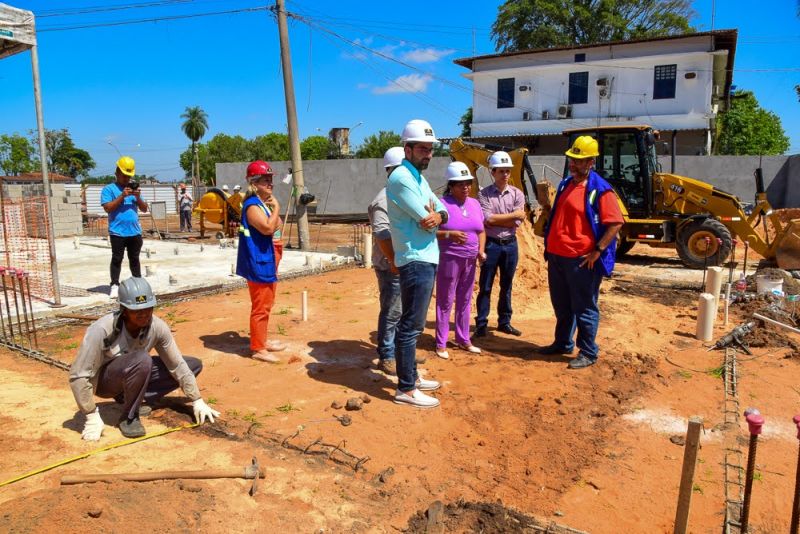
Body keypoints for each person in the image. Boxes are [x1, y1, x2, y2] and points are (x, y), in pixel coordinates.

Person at [69, 277, 220, 440]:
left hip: (134, 371)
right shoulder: (101, 330)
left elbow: (177, 365)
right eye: (136, 310)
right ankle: (129, 417)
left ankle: (132, 399)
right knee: (141, 359)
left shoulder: (157, 327)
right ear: (124, 310)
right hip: (105, 382)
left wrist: (197, 399)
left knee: (192, 365)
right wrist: (91, 415)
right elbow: (79, 375)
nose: (144, 314)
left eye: (148, 308)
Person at [541, 136, 624, 369]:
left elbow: (615, 222)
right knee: (562, 305)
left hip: (580, 260)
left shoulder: (601, 190)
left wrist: (598, 250)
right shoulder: (566, 184)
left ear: (591, 162)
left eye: (578, 160)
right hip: (557, 256)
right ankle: (562, 343)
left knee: (584, 306)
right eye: (572, 159)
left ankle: (588, 351)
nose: (573, 164)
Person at [386, 119, 448, 409]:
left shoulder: (419, 178)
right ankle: (406, 389)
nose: (428, 153)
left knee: (415, 323)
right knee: (410, 325)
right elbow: (425, 220)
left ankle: (411, 376)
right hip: (415, 259)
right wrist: (435, 218)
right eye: (423, 148)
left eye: (431, 148)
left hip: (425, 258)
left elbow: (441, 212)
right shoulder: (400, 178)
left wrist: (440, 217)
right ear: (407, 148)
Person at [236, 160, 287, 362]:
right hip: (258, 262)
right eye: (266, 180)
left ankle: (262, 341)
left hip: (267, 260)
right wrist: (277, 208)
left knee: (267, 303)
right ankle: (258, 348)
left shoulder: (262, 205)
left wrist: (273, 211)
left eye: (271, 180)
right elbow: (267, 228)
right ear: (254, 182)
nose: (270, 184)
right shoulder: (251, 206)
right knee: (261, 306)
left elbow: (278, 225)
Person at [434, 162, 486, 359]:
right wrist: (450, 235)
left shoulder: (474, 203)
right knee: (446, 300)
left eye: (468, 183)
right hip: (450, 259)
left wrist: (481, 250)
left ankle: (464, 339)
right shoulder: (442, 204)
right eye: (460, 184)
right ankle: (441, 343)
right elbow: (430, 231)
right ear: (451, 185)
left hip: (470, 260)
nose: (465, 187)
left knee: (465, 300)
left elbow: (481, 231)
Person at [474, 151, 526, 338]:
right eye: (501, 171)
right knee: (485, 285)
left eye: (507, 171)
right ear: (492, 172)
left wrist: (498, 220)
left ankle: (505, 322)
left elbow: (518, 221)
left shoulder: (517, 194)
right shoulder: (484, 195)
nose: (505, 174)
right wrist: (511, 217)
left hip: (511, 245)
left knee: (507, 285)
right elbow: (487, 219)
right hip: (491, 245)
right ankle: (481, 323)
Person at [368, 146, 405, 376]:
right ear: (391, 171)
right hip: (389, 264)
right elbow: (382, 235)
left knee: (403, 312)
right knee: (392, 311)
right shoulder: (382, 200)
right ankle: (387, 355)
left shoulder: (402, 196)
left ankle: (402, 352)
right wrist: (393, 260)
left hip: (404, 262)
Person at [101, 156, 148, 300]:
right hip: (117, 232)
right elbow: (108, 208)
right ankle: (114, 285)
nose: (127, 179)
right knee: (117, 258)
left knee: (134, 259)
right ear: (117, 173)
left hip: (134, 232)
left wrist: (138, 197)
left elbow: (145, 209)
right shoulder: (109, 189)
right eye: (124, 175)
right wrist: (122, 196)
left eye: (129, 176)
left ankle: (138, 282)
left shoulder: (134, 191)